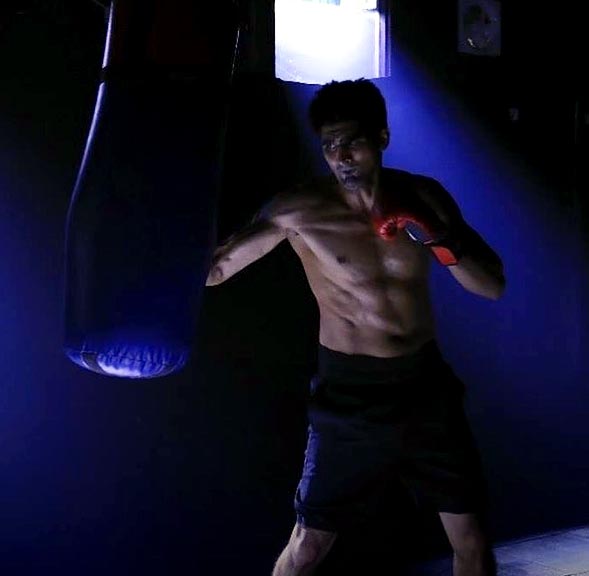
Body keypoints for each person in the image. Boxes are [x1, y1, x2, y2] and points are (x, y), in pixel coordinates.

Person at [206, 78, 505, 576]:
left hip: (423, 387)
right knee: (308, 544)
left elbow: (491, 285)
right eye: (328, 145)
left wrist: (438, 238)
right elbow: (216, 271)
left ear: (382, 137)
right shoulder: (299, 211)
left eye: (352, 141)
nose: (340, 155)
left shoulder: (424, 197)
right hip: (348, 396)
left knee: (470, 537)